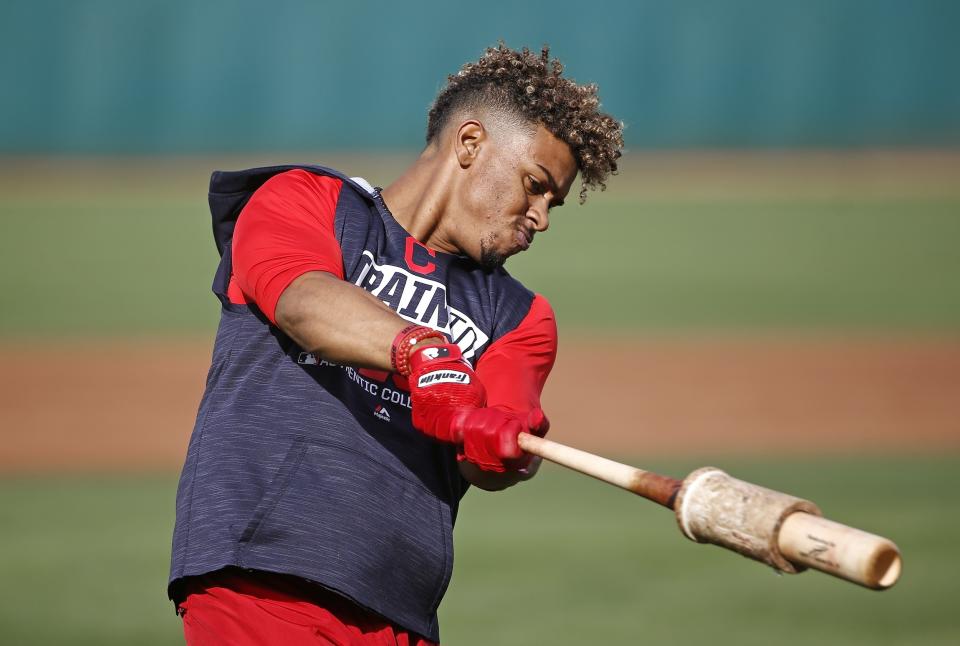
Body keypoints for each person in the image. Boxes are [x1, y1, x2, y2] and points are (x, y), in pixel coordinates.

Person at [168, 43, 623, 645]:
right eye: (534, 186)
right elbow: (301, 300)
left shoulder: (523, 318)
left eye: (553, 202)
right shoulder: (307, 200)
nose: (541, 217)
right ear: (469, 144)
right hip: (263, 574)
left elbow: (498, 439)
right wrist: (423, 352)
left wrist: (504, 448)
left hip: (399, 611)